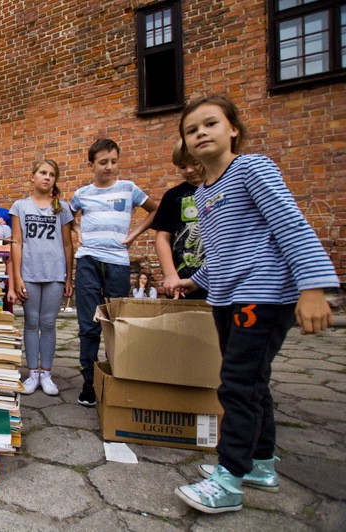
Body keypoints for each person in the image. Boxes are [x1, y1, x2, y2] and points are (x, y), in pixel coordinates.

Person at [172, 95, 338, 514]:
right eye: (192, 130)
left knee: (237, 386)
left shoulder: (252, 169)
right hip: (228, 298)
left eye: (211, 124)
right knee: (253, 383)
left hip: (261, 297)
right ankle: (260, 465)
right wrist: (195, 281)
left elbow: (290, 224)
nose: (201, 133)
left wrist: (313, 287)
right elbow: (223, 252)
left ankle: (228, 480)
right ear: (186, 145)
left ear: (234, 130)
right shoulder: (205, 193)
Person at [70, 139, 158, 407]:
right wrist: (78, 232)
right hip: (87, 263)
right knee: (88, 324)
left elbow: (155, 210)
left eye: (114, 161)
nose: (110, 167)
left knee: (116, 322)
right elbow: (68, 218)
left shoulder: (128, 189)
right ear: (91, 165)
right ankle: (88, 380)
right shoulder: (81, 194)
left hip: (118, 263)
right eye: (103, 162)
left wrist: (133, 235)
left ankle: (116, 375)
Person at [9, 160, 74, 396]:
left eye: (52, 174)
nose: (47, 177)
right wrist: (17, 276)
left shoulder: (62, 207)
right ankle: (32, 373)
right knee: (31, 322)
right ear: (32, 176)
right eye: (43, 173)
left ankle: (46, 373)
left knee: (48, 323)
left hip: (55, 273)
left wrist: (68, 277)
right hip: (29, 273)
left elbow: (68, 244)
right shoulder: (20, 206)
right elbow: (17, 242)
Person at [151, 140, 207, 300]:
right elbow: (162, 237)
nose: (189, 170)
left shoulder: (223, 189)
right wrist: (170, 274)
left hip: (220, 280)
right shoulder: (173, 196)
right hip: (182, 282)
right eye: (182, 166)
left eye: (195, 163)